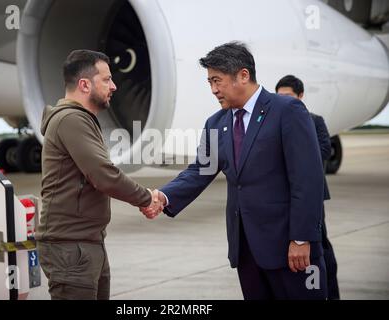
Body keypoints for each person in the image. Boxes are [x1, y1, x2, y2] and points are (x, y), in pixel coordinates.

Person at [141, 42, 327, 299]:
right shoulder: (216, 123)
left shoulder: (287, 110)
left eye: (217, 81)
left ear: (243, 75)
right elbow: (199, 170)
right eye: (209, 83)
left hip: (290, 248)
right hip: (246, 248)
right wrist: (165, 196)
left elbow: (308, 180)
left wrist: (301, 238)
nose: (214, 90)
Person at [36, 49, 163, 300]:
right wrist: (146, 198)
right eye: (106, 79)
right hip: (71, 246)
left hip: (86, 242)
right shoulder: (71, 119)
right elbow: (103, 175)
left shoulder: (81, 119)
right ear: (84, 84)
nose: (114, 86)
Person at [276, 74, 340, 300]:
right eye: (279, 96)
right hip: (285, 195)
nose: (283, 100)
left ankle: (329, 293)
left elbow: (324, 151)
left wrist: (297, 159)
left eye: (288, 96)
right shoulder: (275, 121)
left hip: (312, 195)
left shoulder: (314, 120)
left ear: (300, 96)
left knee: (319, 244)